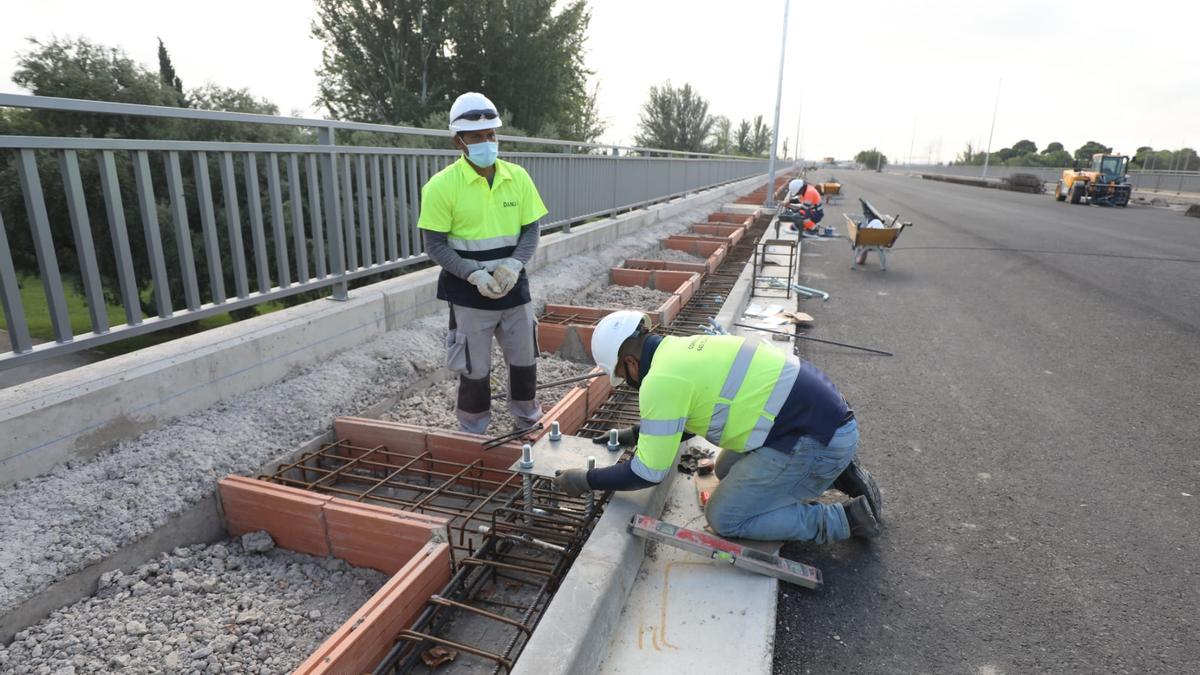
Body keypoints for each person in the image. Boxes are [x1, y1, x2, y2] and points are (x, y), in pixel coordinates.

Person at [552, 311, 883, 544]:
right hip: (820, 417)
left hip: (815, 440)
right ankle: (832, 468)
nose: (628, 385)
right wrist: (638, 433)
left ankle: (843, 520)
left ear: (630, 363)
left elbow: (647, 473)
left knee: (725, 517)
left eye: (624, 379)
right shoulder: (681, 348)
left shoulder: (659, 381)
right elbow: (692, 414)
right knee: (724, 468)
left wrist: (586, 480)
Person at [418, 92, 548, 434]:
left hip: (513, 288)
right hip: (468, 294)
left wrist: (514, 266)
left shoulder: (517, 177)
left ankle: (527, 420)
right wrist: (474, 274)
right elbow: (435, 245)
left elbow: (531, 231)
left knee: (524, 362)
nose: (486, 142)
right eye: (477, 137)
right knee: (474, 369)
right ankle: (473, 430)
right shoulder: (441, 186)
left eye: (491, 135)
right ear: (459, 141)